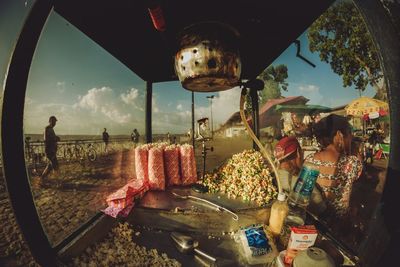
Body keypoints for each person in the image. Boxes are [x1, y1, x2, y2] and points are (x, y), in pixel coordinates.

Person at [306, 114, 363, 217]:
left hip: (315, 221)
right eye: (349, 132)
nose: (351, 137)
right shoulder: (352, 162)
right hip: (339, 224)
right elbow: (358, 172)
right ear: (339, 134)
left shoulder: (311, 159)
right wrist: (352, 148)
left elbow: (303, 194)